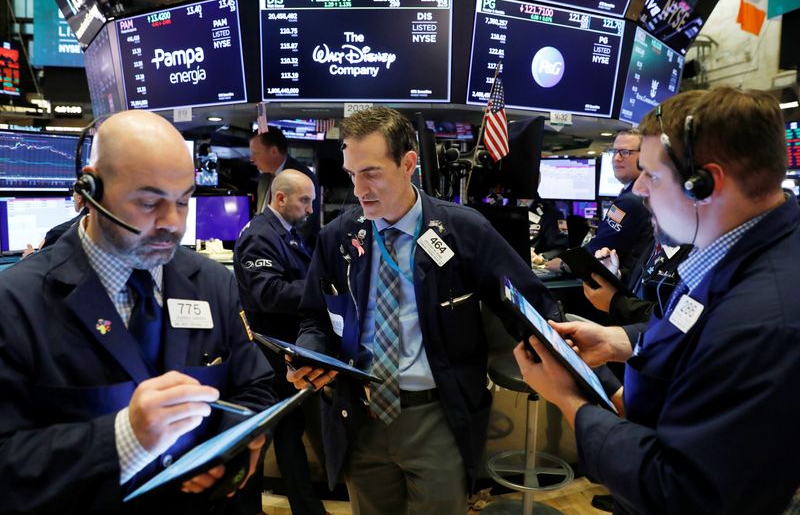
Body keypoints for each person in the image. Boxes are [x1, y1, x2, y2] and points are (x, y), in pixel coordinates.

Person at [514, 87, 800, 514]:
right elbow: (695, 326)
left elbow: (682, 490)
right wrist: (620, 341)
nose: (640, 188)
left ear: (705, 183)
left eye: (652, 174)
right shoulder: (733, 248)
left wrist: (570, 401)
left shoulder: (763, 322)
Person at [0, 110, 278, 515]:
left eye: (183, 201)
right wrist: (123, 439)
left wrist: (234, 444)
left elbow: (254, 387)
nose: (172, 223)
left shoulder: (213, 283)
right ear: (91, 187)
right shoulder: (17, 302)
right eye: (149, 202)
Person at [286, 106, 560, 514]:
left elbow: (531, 306)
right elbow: (315, 316)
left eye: (372, 172)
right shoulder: (338, 236)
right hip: (359, 417)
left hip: (437, 418)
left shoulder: (463, 229)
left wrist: (568, 364)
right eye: (351, 173)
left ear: (409, 164)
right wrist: (307, 352)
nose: (360, 189)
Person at [233, 169, 327, 515]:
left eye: (312, 201)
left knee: (288, 433)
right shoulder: (260, 235)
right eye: (304, 200)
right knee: (261, 439)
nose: (309, 209)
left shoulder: (284, 232)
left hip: (284, 350)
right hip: (267, 355)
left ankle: (306, 508)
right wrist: (322, 290)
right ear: (281, 198)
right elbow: (269, 294)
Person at [545, 130, 653, 275]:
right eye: (614, 152)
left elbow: (602, 246)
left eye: (625, 152)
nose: (616, 158)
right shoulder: (640, 194)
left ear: (646, 156)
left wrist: (565, 263)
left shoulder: (631, 200)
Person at [250, 127, 321, 246]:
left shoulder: (303, 178)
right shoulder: (264, 179)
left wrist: (273, 247)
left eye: (256, 153)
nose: (251, 159)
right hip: (264, 248)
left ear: (273, 151)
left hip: (295, 253)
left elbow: (305, 225)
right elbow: (261, 215)